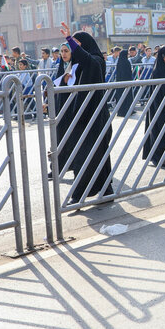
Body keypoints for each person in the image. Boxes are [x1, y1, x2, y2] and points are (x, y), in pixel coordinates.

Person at [53, 23, 114, 203]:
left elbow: (89, 62)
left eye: (78, 45)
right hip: (81, 115)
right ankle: (106, 190)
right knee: (89, 155)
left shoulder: (96, 60)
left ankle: (80, 194)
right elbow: (65, 83)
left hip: (95, 116)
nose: (74, 49)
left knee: (90, 155)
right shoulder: (78, 63)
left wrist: (70, 40)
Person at [114, 49, 135, 117]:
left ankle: (121, 111)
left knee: (121, 97)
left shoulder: (119, 62)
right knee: (127, 97)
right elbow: (128, 73)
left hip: (120, 83)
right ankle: (128, 110)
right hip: (127, 82)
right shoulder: (126, 62)